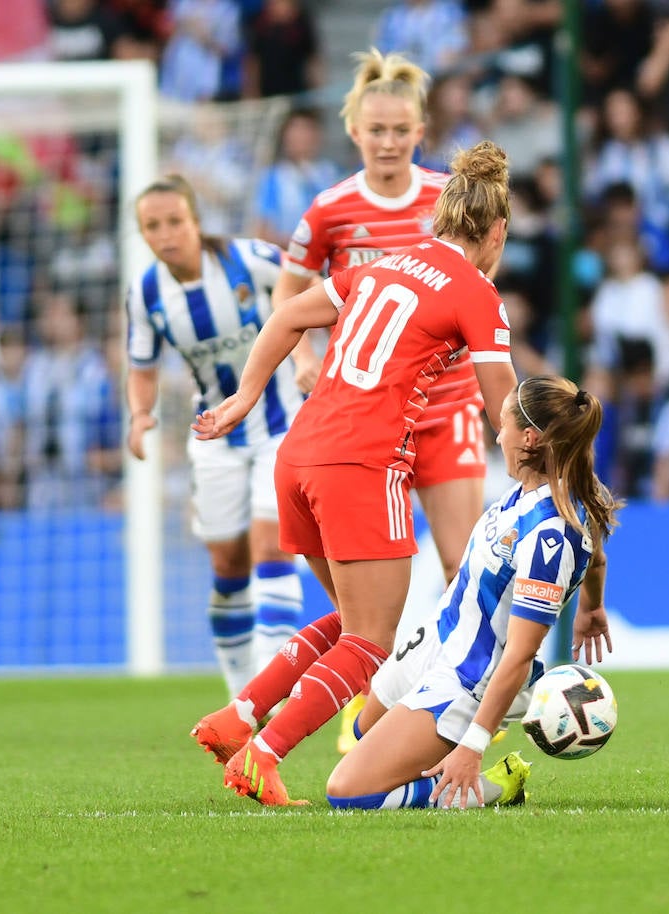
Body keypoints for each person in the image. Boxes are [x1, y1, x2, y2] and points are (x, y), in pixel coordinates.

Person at [190, 141, 519, 806]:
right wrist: (546, 480)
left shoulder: (385, 265)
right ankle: (264, 755)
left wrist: (246, 397)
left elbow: (285, 314)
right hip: (361, 465)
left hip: (299, 452)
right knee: (372, 639)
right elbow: (507, 408)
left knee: (349, 619)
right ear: (496, 233)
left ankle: (239, 715)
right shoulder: (476, 292)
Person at [273, 50, 487, 751]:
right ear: (354, 130)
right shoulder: (331, 210)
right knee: (360, 604)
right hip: (364, 418)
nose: (389, 140)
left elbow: (476, 278)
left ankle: (440, 706)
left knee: (463, 564)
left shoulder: (444, 198)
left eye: (401, 129)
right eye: (377, 129)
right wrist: (303, 356)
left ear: (421, 129)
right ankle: (373, 697)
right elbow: (291, 289)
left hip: (446, 401)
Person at [325, 376, 619, 810]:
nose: (496, 436)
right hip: (436, 643)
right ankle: (435, 751)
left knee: (351, 794)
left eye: (502, 426)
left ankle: (495, 784)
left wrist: (473, 746)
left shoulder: (549, 537)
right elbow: (596, 558)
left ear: (530, 438)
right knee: (361, 735)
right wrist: (591, 608)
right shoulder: (531, 491)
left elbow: (519, 654)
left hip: (468, 678)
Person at [125, 175, 306, 696]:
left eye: (175, 221)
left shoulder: (250, 260)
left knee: (273, 547)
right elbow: (142, 365)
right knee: (228, 567)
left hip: (280, 426)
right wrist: (140, 414)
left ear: (195, 222)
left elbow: (313, 288)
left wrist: (311, 354)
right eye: (152, 226)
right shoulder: (144, 294)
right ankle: (239, 692)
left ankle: (269, 689)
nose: (165, 235)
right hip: (215, 437)